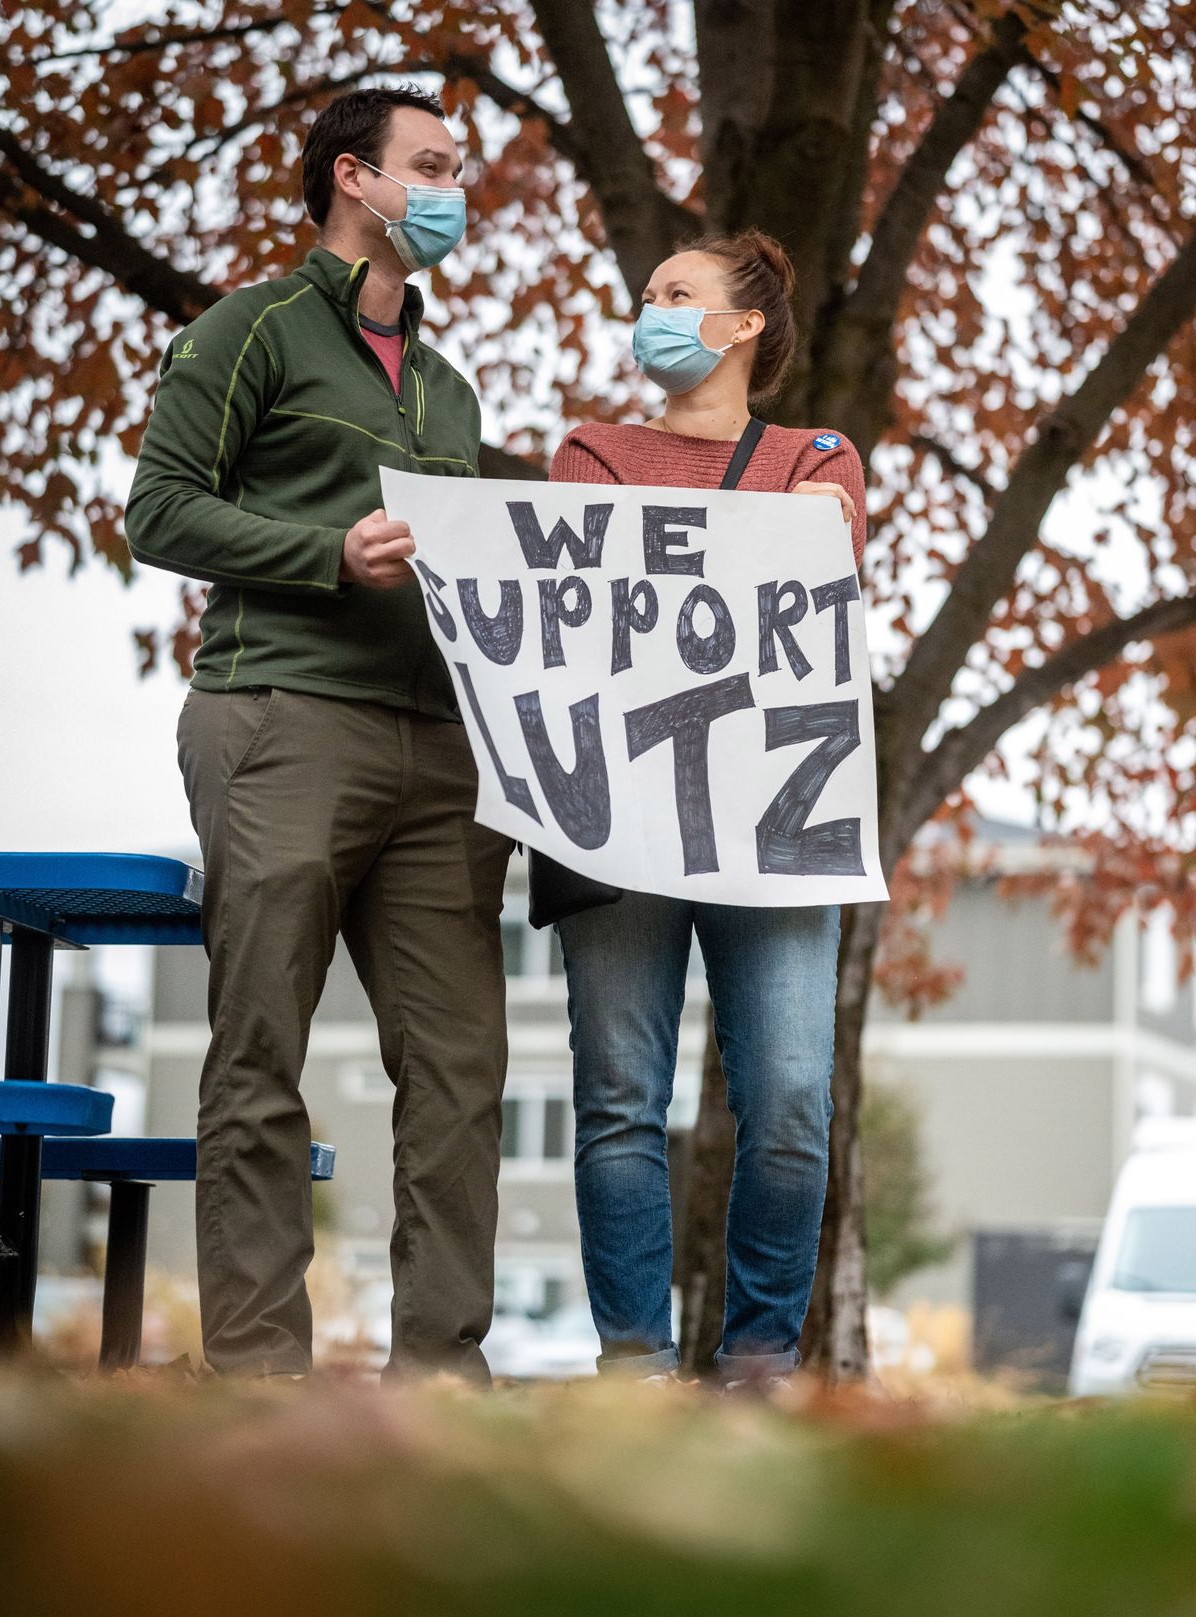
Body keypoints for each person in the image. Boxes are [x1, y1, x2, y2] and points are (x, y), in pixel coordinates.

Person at [124, 86, 513, 1382]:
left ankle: (443, 1384)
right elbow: (161, 513)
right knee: (259, 1052)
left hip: (441, 756)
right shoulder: (251, 331)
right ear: (357, 177)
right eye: (435, 163)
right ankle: (255, 1385)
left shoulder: (451, 394)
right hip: (281, 718)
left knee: (460, 1072)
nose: (457, 189)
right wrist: (326, 555)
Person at [544, 230, 867, 1385]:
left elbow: (814, 563)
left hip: (773, 820)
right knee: (620, 1097)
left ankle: (759, 1362)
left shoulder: (817, 453)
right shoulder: (591, 450)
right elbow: (580, 598)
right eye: (646, 295)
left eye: (676, 294)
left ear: (740, 327)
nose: (650, 310)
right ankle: (634, 1362)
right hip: (619, 816)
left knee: (787, 1101)